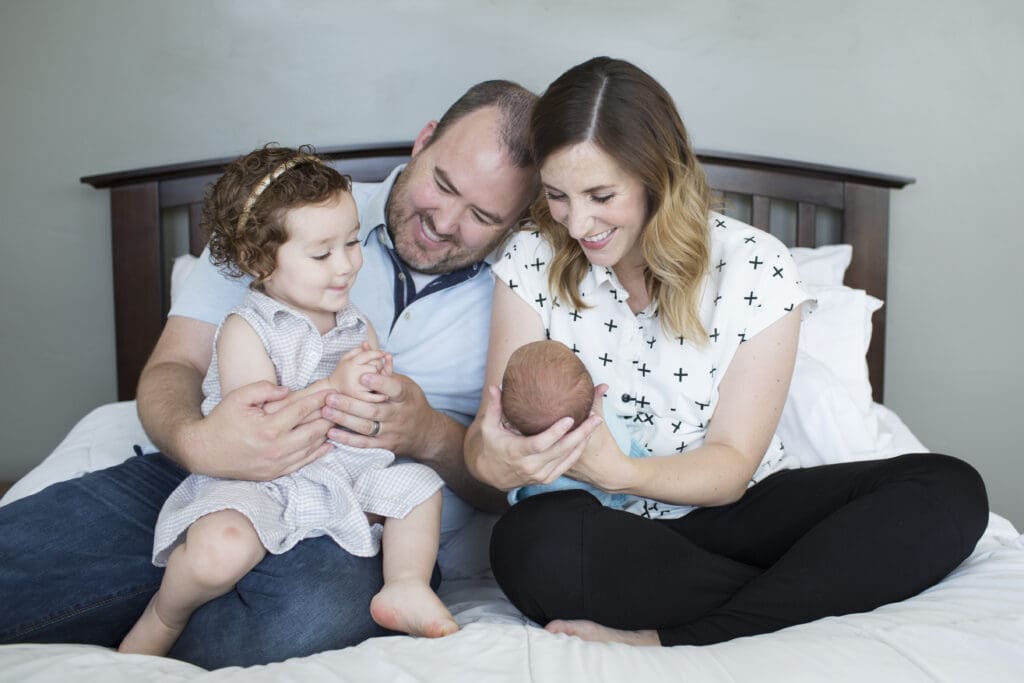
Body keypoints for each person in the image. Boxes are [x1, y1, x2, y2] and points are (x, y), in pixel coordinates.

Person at [0, 80, 539, 668]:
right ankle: (155, 617)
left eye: (483, 215)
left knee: (308, 613)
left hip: (364, 519)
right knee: (23, 561)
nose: (444, 221)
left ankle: (137, 645)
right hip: (206, 475)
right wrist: (197, 440)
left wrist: (428, 434)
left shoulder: (531, 287)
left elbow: (511, 492)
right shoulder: (283, 211)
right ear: (425, 141)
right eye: (442, 184)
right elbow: (175, 365)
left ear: (521, 215)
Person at [465, 57, 989, 647]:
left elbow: (731, 469)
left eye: (601, 194)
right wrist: (501, 459)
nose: (578, 221)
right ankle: (811, 587)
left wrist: (624, 471)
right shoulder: (531, 258)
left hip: (735, 516)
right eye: (558, 195)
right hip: (605, 533)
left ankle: (686, 631)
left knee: (951, 488)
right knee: (527, 545)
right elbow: (486, 447)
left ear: (655, 176)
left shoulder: (755, 266)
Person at [119, 146, 458, 656]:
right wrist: (335, 387)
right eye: (322, 254)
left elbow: (368, 391)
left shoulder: (354, 321)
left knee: (418, 488)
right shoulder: (246, 330)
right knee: (219, 553)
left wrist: (378, 389)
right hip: (267, 478)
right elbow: (261, 423)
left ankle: (404, 584)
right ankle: (164, 617)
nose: (345, 265)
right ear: (259, 261)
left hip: (340, 468)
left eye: (351, 242)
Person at [501, 339, 643, 508]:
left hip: (541, 507)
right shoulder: (603, 422)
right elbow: (632, 451)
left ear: (509, 421)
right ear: (593, 397)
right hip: (606, 503)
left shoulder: (519, 446)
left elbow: (514, 491)